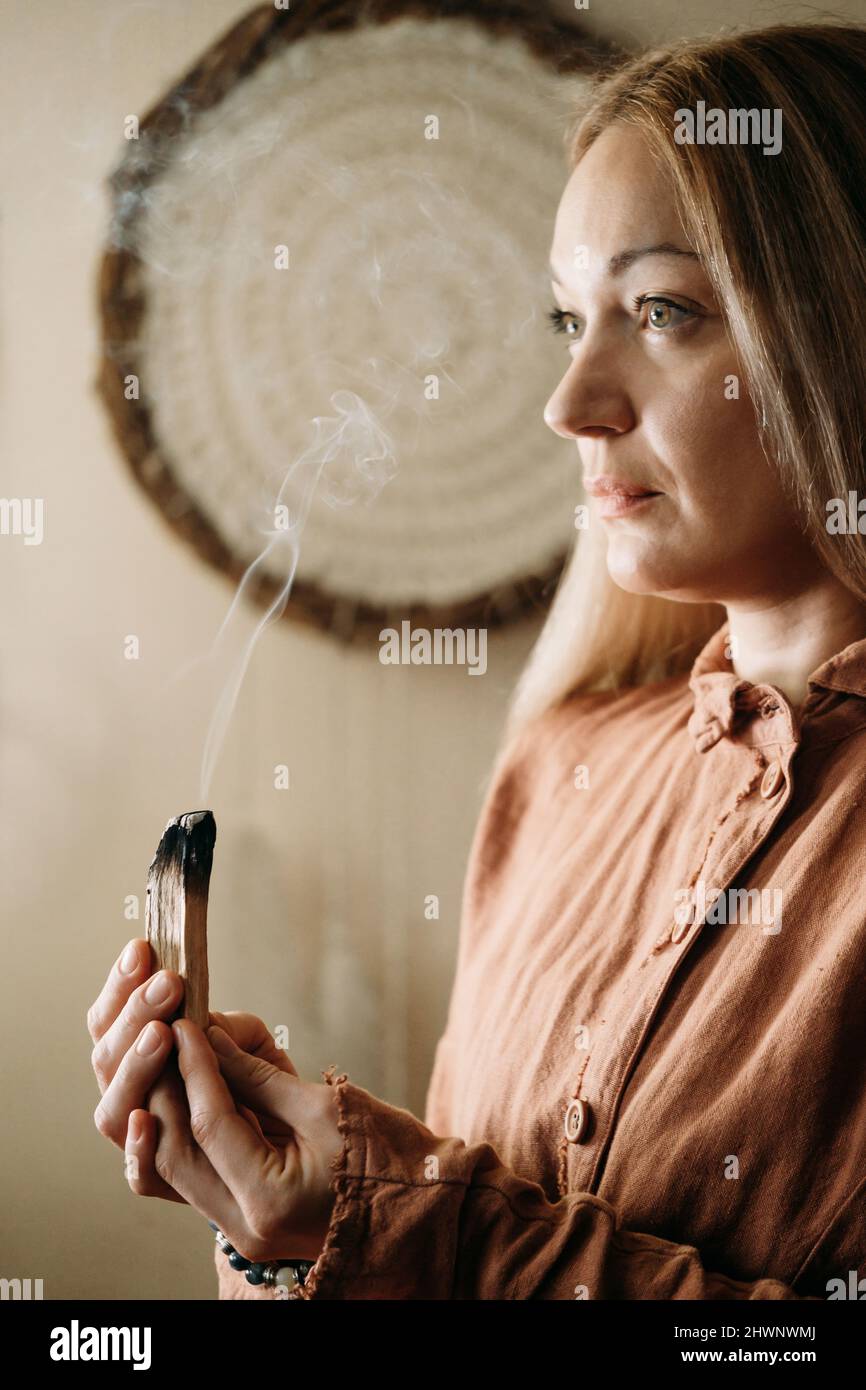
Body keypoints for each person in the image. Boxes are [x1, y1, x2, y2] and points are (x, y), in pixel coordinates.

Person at [88, 21, 866, 1299]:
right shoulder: (560, 765)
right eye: (569, 318)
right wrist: (283, 1228)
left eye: (660, 310)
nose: (570, 402)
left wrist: (419, 1234)